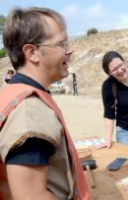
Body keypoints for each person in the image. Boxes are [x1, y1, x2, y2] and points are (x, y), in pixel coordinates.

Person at [0, 7, 91, 199]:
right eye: (62, 44)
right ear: (32, 52)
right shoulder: (29, 111)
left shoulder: (12, 95)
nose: (70, 50)